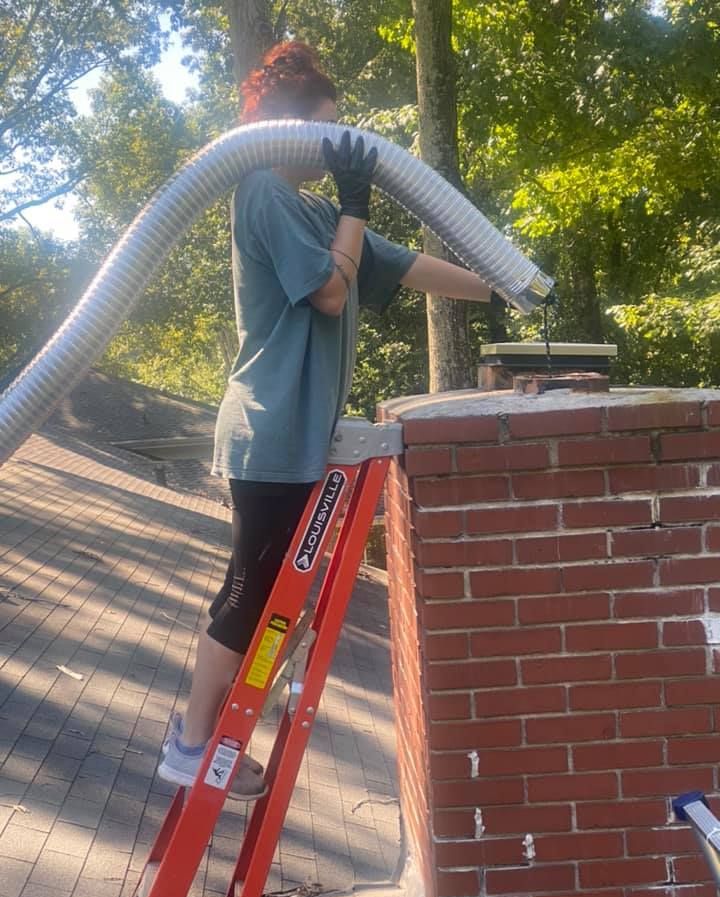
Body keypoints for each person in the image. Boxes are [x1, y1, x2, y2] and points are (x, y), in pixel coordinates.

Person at [158, 41, 493, 795]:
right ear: (286, 129)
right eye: (324, 130)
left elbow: (400, 264)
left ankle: (214, 734)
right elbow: (330, 294)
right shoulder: (263, 193)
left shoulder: (311, 207)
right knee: (249, 593)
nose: (334, 148)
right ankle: (190, 742)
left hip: (294, 436)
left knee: (272, 595)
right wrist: (355, 202)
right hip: (269, 430)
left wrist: (503, 284)